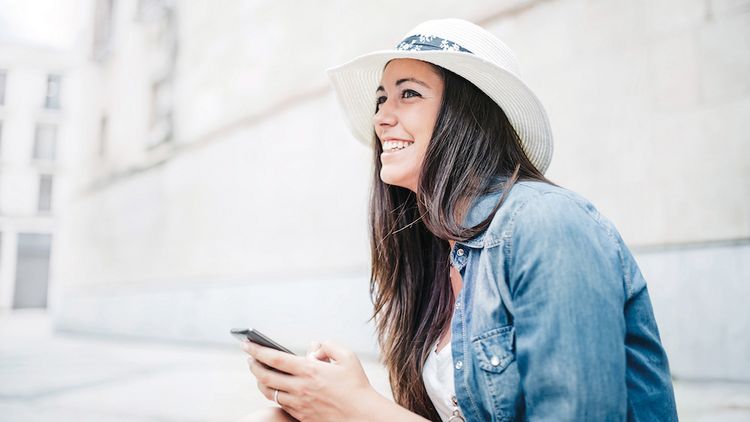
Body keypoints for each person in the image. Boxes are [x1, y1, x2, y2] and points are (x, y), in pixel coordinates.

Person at [240, 19, 678, 421]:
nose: (381, 118)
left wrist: (359, 408)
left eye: (408, 93)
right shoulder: (437, 252)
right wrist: (327, 401)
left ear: (467, 114)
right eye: (380, 99)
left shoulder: (548, 225)